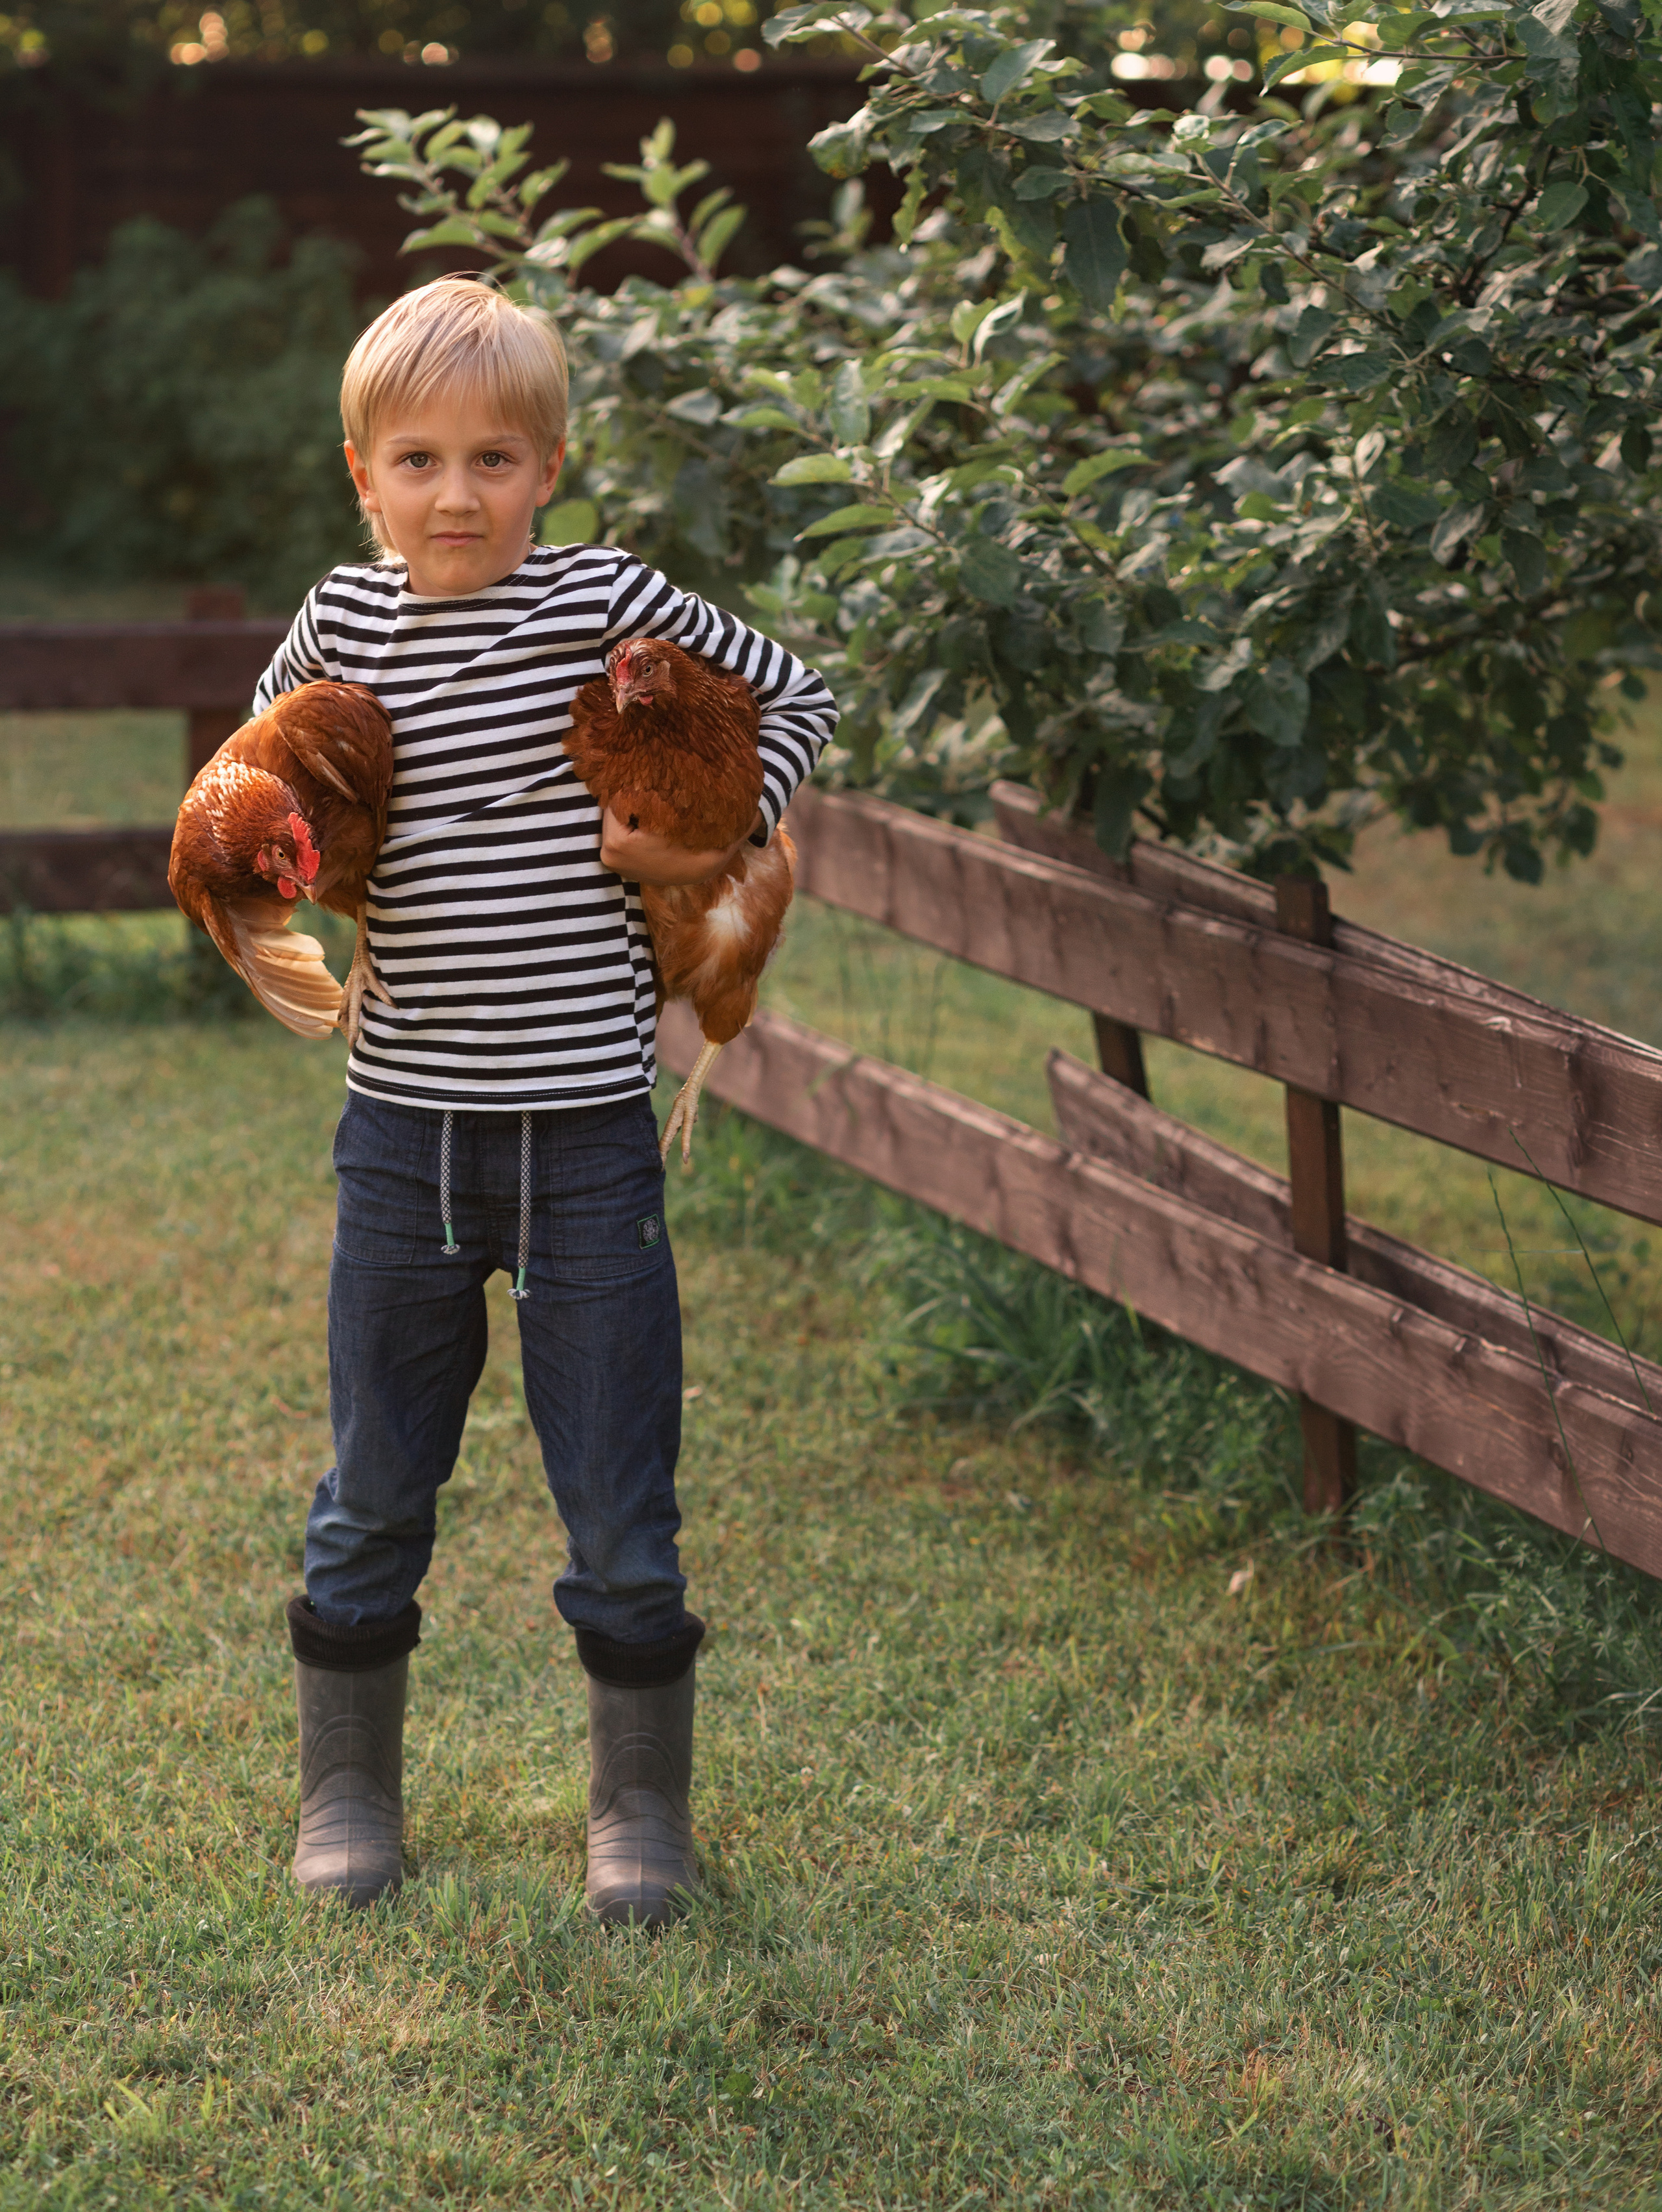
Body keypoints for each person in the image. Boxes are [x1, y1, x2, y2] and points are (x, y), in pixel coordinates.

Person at [254, 273, 837, 1923]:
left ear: (550, 469)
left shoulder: (604, 601)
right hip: (403, 1140)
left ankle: (637, 1815)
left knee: (620, 1496)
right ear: (363, 475)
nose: (457, 494)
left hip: (587, 1141)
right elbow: (259, 778)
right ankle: (348, 1791)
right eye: (419, 461)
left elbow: (795, 696)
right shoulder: (339, 624)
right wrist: (286, 849)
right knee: (375, 1484)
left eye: (494, 459)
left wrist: (711, 821)